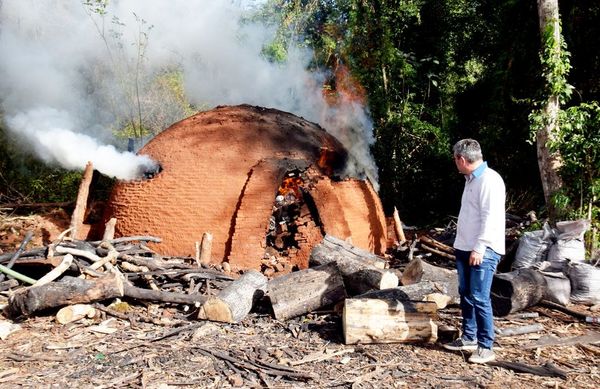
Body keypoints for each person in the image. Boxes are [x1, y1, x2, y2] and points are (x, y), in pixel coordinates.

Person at [443, 139, 505, 364]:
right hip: (465, 247)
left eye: (455, 160)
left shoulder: (489, 180)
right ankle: (469, 337)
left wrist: (479, 247)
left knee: (479, 297)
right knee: (466, 294)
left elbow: (491, 218)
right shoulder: (470, 180)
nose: (455, 164)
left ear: (461, 159)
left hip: (483, 250)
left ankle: (486, 347)